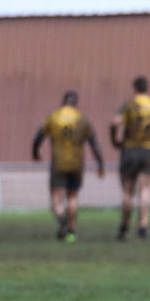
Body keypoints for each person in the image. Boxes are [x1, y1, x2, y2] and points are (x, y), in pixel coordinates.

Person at [31, 91, 105, 242]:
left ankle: (61, 219)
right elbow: (94, 144)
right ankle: (71, 232)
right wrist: (100, 164)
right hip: (77, 164)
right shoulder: (83, 120)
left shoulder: (54, 117)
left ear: (63, 101)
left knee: (56, 199)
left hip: (58, 163)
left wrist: (35, 152)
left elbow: (39, 136)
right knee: (72, 197)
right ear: (76, 103)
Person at [110, 75, 150, 240]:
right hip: (148, 150)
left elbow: (114, 122)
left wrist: (115, 140)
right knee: (145, 190)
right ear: (148, 87)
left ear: (134, 88)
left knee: (127, 192)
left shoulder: (129, 105)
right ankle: (143, 226)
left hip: (130, 150)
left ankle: (124, 227)